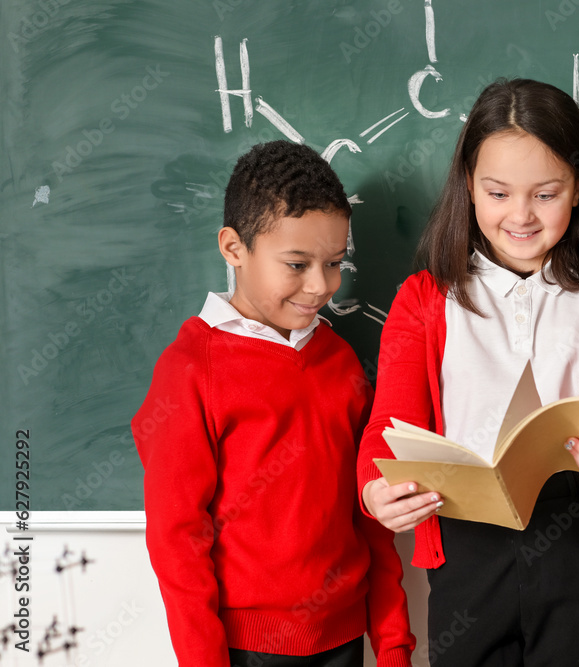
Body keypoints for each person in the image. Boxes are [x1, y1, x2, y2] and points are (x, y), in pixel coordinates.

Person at [356, 78, 579, 666]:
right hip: (468, 553)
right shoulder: (424, 301)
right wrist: (376, 492)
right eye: (497, 192)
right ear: (468, 186)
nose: (520, 216)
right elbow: (384, 434)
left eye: (545, 194)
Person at [133, 141, 415, 667]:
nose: (320, 286)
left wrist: (394, 645)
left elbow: (371, 519)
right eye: (296, 263)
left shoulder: (340, 362)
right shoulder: (190, 370)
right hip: (247, 649)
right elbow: (177, 542)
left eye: (333, 264)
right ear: (234, 247)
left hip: (345, 638)